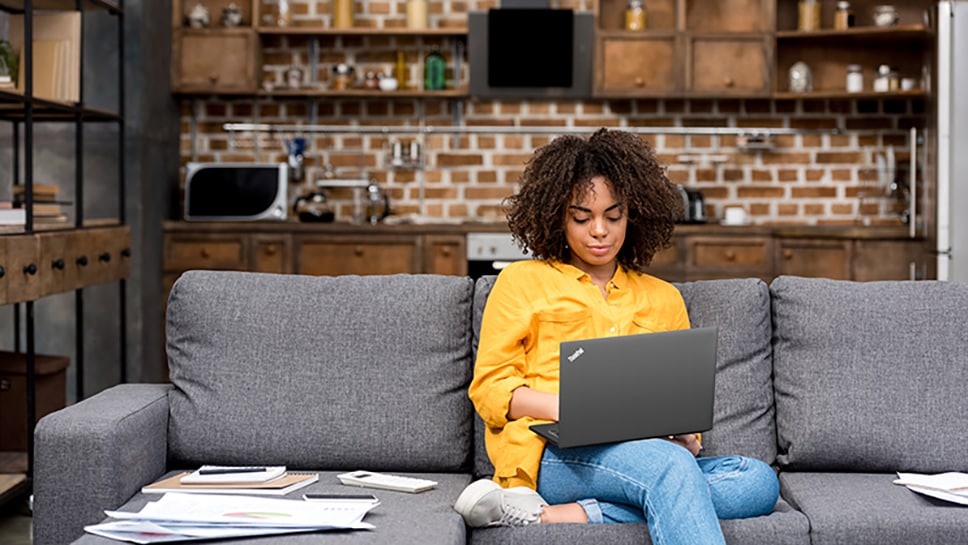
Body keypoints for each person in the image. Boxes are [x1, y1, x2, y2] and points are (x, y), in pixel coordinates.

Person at [453, 128, 779, 545]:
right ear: (557, 216)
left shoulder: (663, 298)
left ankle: (554, 517)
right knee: (670, 471)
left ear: (633, 214)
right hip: (553, 453)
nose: (600, 231)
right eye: (582, 217)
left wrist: (684, 439)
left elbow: (681, 408)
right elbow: (491, 390)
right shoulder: (521, 281)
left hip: (647, 453)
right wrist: (573, 407)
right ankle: (591, 495)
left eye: (613, 215)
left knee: (756, 481)